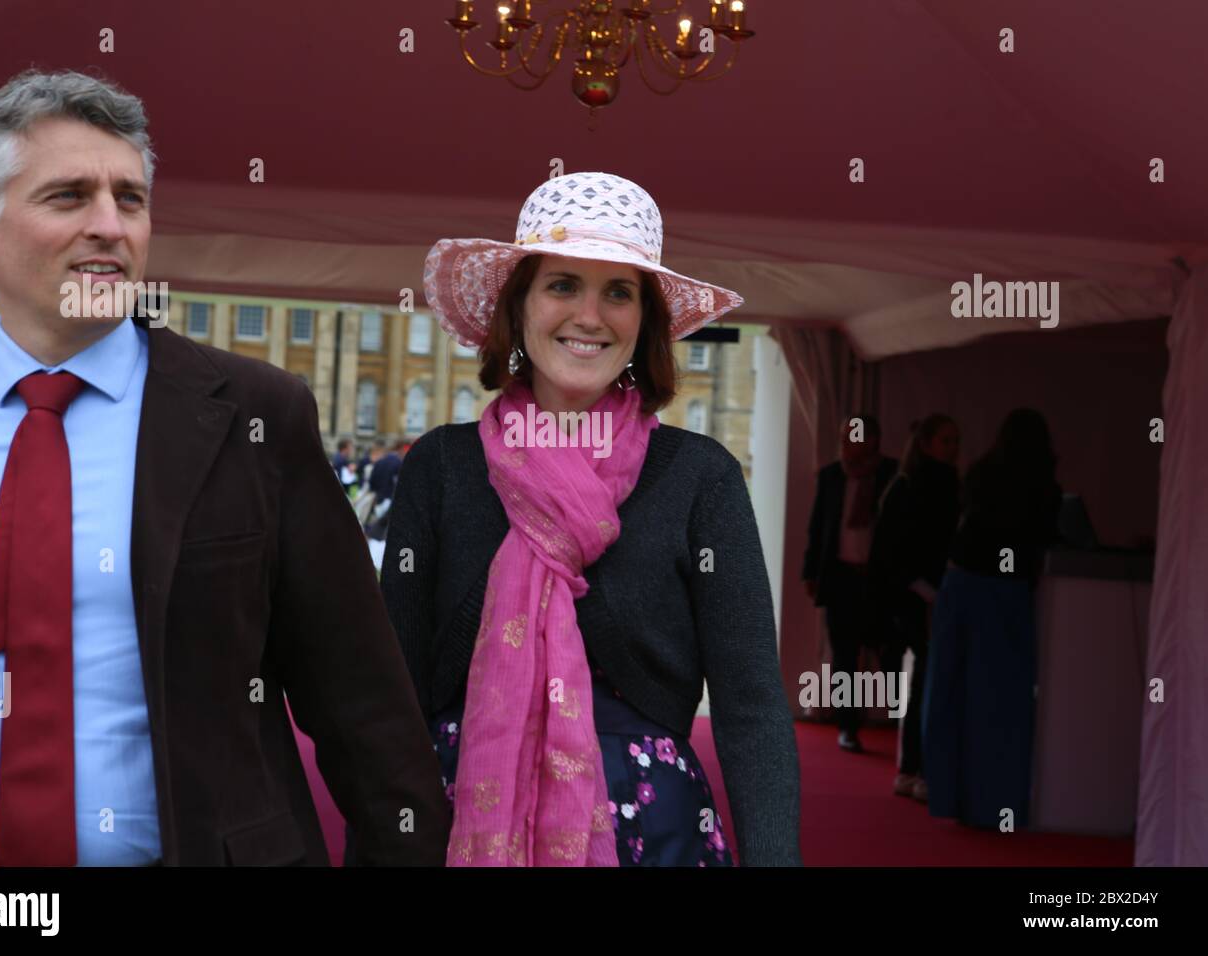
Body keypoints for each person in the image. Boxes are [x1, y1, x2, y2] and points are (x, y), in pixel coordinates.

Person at [0, 69, 449, 866]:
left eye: (129, 199)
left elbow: (363, 704)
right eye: (68, 197)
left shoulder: (259, 416)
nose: (110, 226)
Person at [379, 172, 801, 866]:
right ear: (519, 308)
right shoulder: (443, 466)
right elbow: (392, 690)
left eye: (619, 292)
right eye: (564, 284)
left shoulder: (699, 478)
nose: (590, 315)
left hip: (652, 835)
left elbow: (751, 706)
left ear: (645, 321)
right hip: (466, 823)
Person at [923, 408, 1062, 829]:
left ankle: (947, 795)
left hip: (961, 581)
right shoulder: (1042, 488)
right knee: (1000, 702)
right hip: (1005, 592)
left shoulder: (981, 474)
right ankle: (995, 803)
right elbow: (1041, 538)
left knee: (948, 692)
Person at [868, 414, 960, 801]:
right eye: (946, 440)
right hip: (915, 597)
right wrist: (925, 589)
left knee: (927, 680)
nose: (953, 448)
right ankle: (914, 767)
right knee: (924, 680)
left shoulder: (948, 484)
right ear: (925, 444)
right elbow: (892, 551)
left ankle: (918, 766)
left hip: (935, 594)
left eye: (955, 440)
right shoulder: (907, 488)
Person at [802, 415, 899, 751]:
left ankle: (900, 722)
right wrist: (810, 571)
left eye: (853, 436)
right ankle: (848, 725)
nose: (845, 442)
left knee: (889, 653)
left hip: (880, 580)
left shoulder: (892, 474)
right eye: (843, 436)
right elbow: (817, 527)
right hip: (840, 577)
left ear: (872, 440)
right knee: (845, 657)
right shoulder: (831, 475)